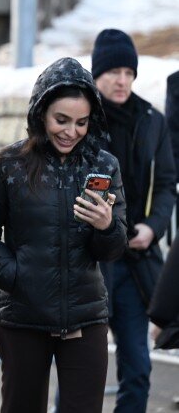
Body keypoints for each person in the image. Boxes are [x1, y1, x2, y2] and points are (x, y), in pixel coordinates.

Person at [0, 57, 128, 412]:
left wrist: (106, 226)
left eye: (81, 122)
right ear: (41, 114)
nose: (71, 131)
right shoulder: (8, 164)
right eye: (61, 120)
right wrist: (15, 276)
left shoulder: (104, 165)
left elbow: (113, 249)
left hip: (86, 318)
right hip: (23, 318)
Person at [91, 29, 177, 413]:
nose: (122, 80)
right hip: (90, 263)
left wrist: (153, 227)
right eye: (114, 71)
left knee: (138, 369)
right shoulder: (81, 119)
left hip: (132, 263)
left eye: (129, 72)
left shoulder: (151, 119)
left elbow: (167, 184)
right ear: (97, 73)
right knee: (84, 373)